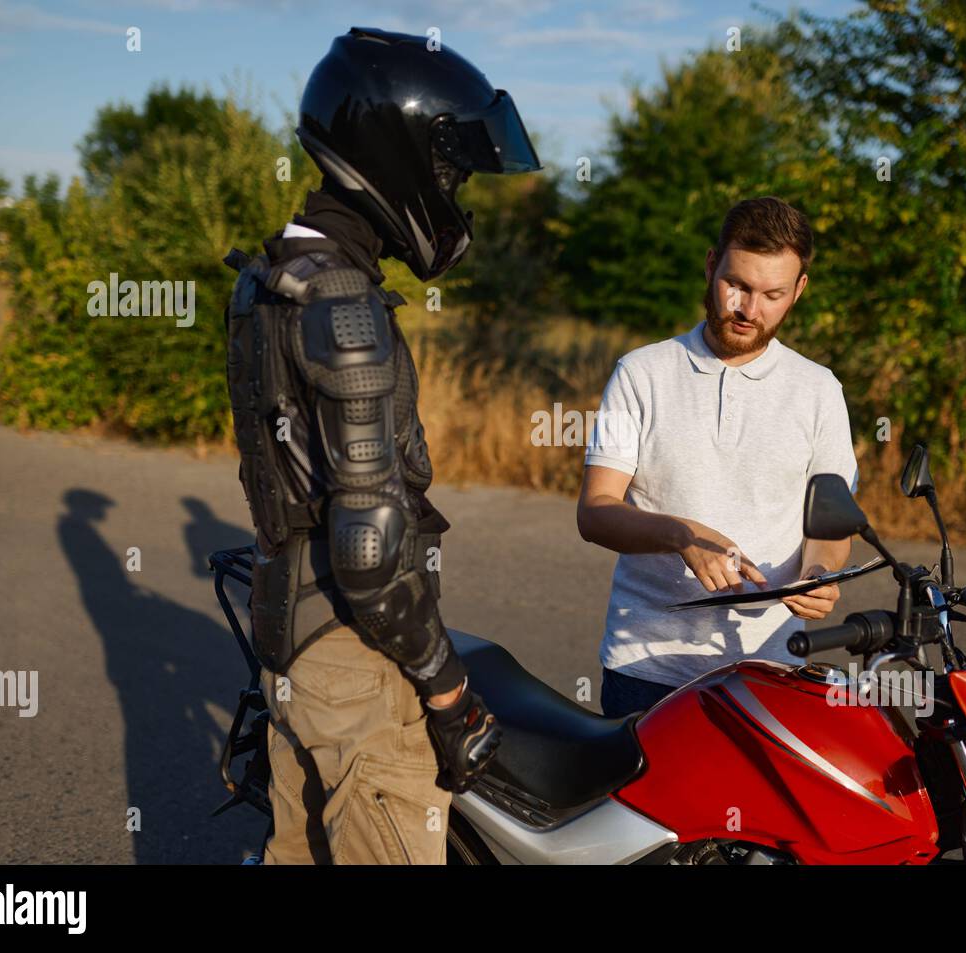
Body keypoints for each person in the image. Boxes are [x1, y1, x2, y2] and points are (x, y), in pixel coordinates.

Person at [223, 27, 541, 863]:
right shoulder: (345, 307)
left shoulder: (267, 281)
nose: (456, 193)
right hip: (358, 664)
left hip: (289, 647)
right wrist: (447, 690)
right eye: (450, 172)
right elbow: (368, 551)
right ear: (394, 155)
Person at [577, 197, 859, 719]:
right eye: (738, 286)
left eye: (772, 294)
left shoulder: (820, 390)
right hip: (646, 671)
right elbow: (595, 511)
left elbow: (830, 526)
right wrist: (682, 535)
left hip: (770, 670)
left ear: (799, 290)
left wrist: (819, 571)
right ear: (711, 266)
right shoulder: (641, 373)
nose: (749, 310)